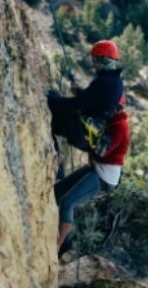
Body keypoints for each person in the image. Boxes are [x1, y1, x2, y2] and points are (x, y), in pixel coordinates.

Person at [54, 94, 130, 252]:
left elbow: (102, 151)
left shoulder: (119, 127)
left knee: (68, 202)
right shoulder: (110, 120)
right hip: (96, 168)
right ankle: (61, 235)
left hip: (104, 177)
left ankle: (58, 245)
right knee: (57, 192)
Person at [47, 40, 123, 153]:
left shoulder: (103, 82)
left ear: (102, 59)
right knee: (56, 102)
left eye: (94, 60)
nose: (93, 65)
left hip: (82, 131)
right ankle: (56, 163)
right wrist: (79, 92)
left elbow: (77, 104)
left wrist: (48, 99)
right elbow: (96, 103)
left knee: (49, 120)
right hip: (90, 134)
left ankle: (54, 162)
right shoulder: (117, 82)